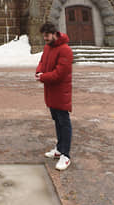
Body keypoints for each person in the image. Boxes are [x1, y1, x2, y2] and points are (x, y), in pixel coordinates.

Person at [35, 22, 73, 170]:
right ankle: (59, 149)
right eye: (43, 36)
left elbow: (59, 74)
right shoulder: (48, 47)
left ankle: (66, 155)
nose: (45, 39)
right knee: (57, 120)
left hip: (61, 92)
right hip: (51, 92)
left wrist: (43, 77)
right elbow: (42, 62)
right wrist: (39, 72)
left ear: (54, 34)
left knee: (64, 123)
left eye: (47, 36)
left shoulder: (65, 50)